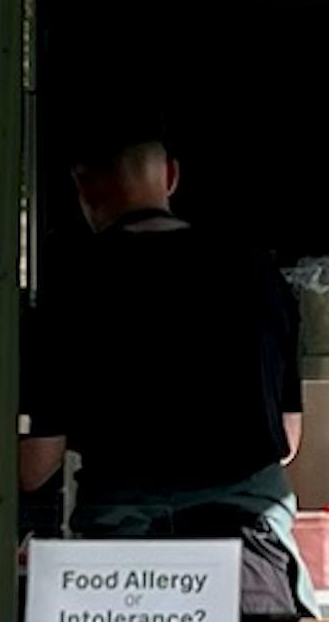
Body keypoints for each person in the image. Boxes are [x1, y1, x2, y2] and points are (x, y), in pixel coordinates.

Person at [18, 136, 309, 577]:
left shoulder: (73, 287)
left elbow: (35, 466)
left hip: (125, 560)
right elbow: (286, 440)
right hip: (248, 551)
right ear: (172, 176)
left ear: (84, 186)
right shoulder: (257, 273)